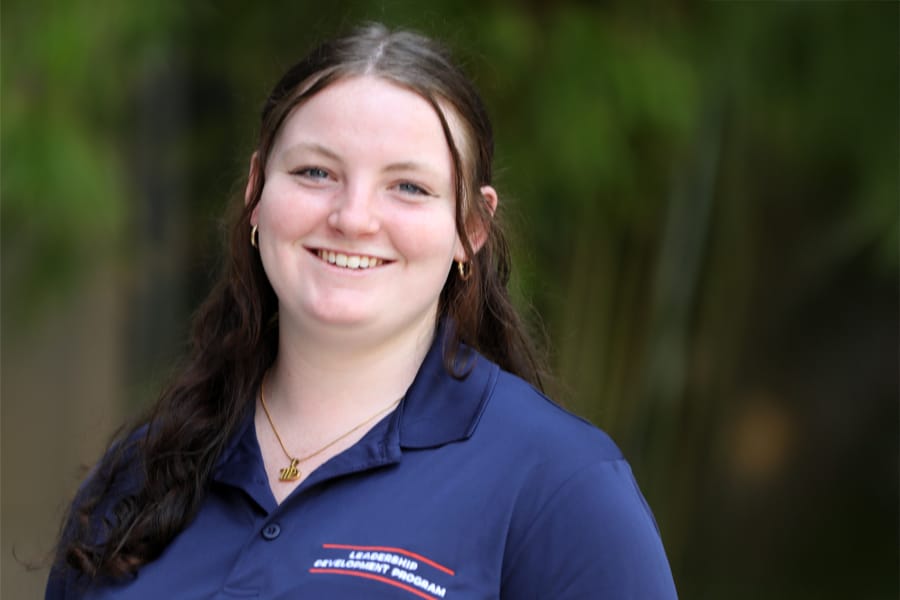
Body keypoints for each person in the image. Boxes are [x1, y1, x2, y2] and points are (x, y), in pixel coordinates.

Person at [47, 22, 677, 599]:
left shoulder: (561, 489)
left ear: (471, 228)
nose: (352, 218)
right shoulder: (146, 468)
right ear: (257, 194)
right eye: (316, 172)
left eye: (408, 186)